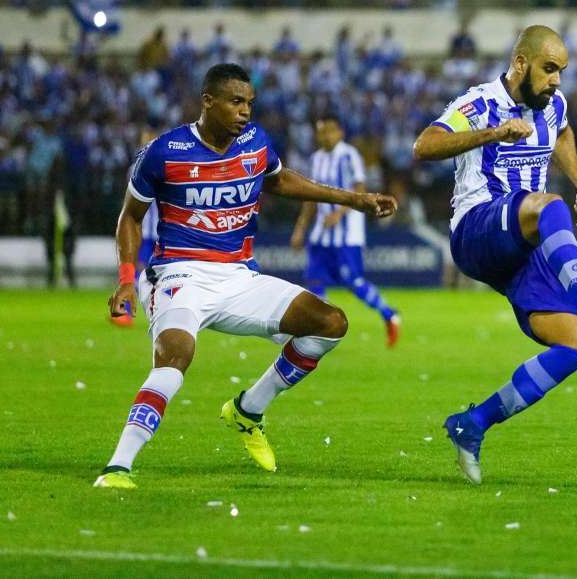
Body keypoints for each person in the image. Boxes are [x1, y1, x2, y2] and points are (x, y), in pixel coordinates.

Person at [94, 64, 398, 489]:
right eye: (236, 102)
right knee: (175, 357)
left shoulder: (255, 143)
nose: (245, 112)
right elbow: (131, 216)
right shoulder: (165, 151)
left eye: (249, 104)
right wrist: (127, 277)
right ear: (208, 102)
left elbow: (280, 180)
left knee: (331, 323)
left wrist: (354, 200)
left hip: (239, 277)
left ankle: (249, 409)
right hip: (181, 275)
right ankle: (118, 466)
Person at [412, 25, 577, 485]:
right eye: (549, 69)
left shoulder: (555, 105)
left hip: (520, 242)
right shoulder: (479, 103)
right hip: (477, 228)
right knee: (547, 205)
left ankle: (472, 425)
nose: (556, 81)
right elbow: (424, 146)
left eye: (562, 72)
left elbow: (563, 134)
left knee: (576, 345)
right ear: (520, 63)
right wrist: (491, 134)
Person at [291, 117, 401, 348]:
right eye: (321, 132)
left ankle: (389, 314)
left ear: (340, 132)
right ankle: (320, 328)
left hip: (346, 234)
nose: (325, 136)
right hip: (321, 233)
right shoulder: (316, 159)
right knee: (314, 281)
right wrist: (300, 228)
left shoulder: (350, 155)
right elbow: (310, 198)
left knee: (352, 281)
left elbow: (359, 189)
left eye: (330, 131)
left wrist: (339, 214)